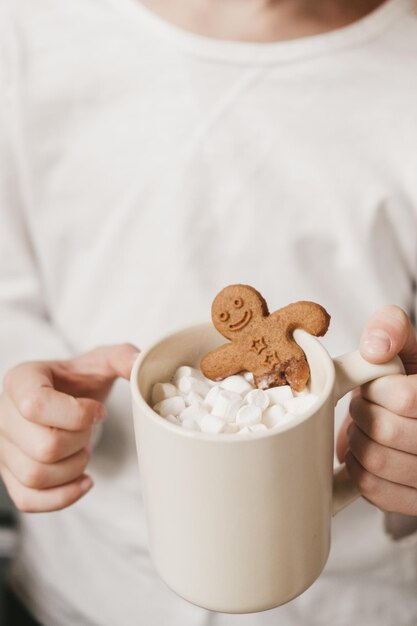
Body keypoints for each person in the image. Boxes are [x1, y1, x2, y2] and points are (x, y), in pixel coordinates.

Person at [0, 0, 416, 624]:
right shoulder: (31, 30)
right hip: (85, 587)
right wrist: (22, 402)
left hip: (352, 601)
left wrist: (401, 458)